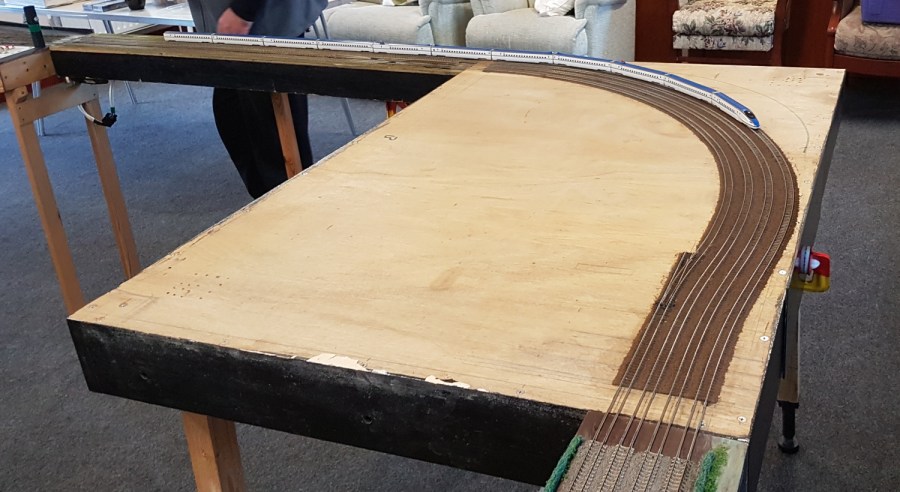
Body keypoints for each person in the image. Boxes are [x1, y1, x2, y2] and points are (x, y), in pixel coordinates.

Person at [187, 0, 328, 198]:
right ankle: (270, 202)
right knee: (236, 124)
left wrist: (244, 11)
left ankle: (293, 205)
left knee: (277, 145)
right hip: (230, 28)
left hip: (263, 19)